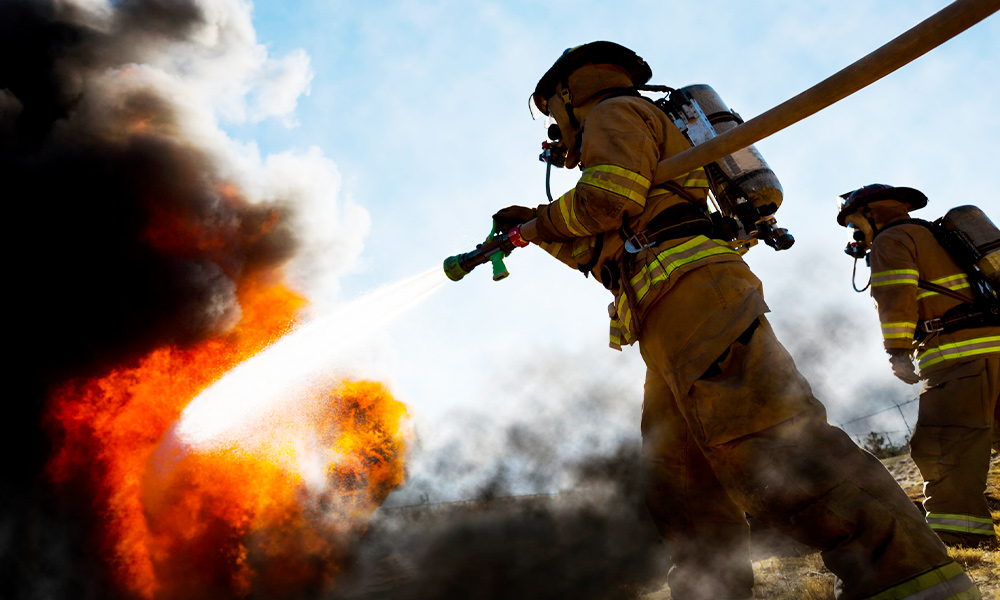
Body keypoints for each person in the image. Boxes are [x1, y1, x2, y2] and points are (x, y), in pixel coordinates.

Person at [493, 42, 980, 600]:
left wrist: (540, 224)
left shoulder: (612, 111)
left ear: (566, 94)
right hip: (663, 323)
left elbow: (605, 200)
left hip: (698, 299)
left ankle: (910, 578)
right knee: (679, 478)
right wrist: (533, 227)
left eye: (552, 112)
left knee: (766, 438)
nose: (555, 131)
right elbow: (599, 249)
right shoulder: (631, 140)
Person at [837, 183, 1000, 548]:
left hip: (959, 355)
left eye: (854, 225)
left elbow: (896, 296)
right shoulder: (939, 236)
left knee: (943, 443)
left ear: (871, 214)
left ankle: (961, 535)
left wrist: (897, 351)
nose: (855, 236)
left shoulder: (891, 241)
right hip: (996, 345)